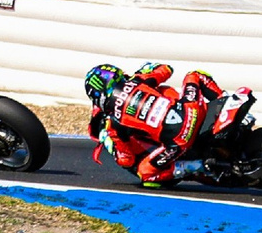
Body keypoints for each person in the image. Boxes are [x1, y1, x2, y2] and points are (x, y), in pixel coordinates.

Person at [85, 61, 227, 186]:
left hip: (179, 141)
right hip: (191, 109)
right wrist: (147, 68)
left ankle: (198, 166)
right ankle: (224, 102)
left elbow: (126, 160)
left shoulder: (113, 123)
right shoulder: (138, 80)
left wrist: (112, 147)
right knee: (195, 75)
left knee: (145, 174)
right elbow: (167, 69)